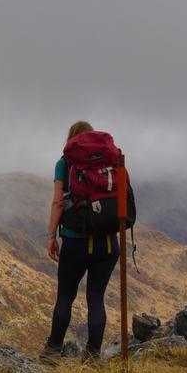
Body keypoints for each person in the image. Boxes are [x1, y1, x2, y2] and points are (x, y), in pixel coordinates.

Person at [44, 121, 120, 359]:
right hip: (107, 242)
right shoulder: (111, 160)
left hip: (75, 241)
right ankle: (93, 355)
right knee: (96, 298)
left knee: (65, 296)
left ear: (72, 139)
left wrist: (51, 236)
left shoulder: (64, 163)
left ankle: (53, 351)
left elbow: (58, 202)